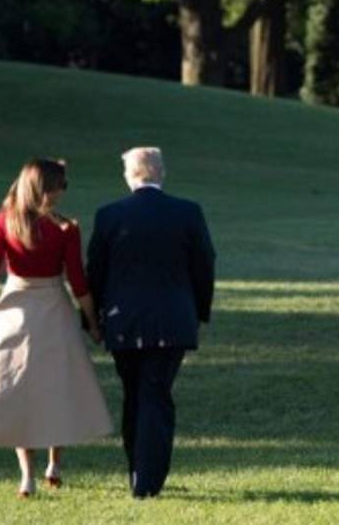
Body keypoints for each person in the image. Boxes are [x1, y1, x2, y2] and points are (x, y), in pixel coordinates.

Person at [0, 158, 112, 499]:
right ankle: (54, 464)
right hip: (54, 307)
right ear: (46, 189)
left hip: (16, 307)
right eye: (61, 185)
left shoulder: (3, 222)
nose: (62, 192)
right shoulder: (65, 229)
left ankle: (26, 477)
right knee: (58, 388)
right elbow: (78, 282)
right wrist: (94, 324)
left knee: (20, 393)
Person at [86, 146, 215, 499]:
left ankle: (138, 473)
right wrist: (199, 312)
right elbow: (204, 265)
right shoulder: (187, 212)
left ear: (129, 176)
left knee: (133, 395)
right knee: (156, 395)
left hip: (122, 322)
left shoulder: (110, 215)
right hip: (173, 321)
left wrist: (92, 319)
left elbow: (95, 271)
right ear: (161, 173)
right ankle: (148, 479)